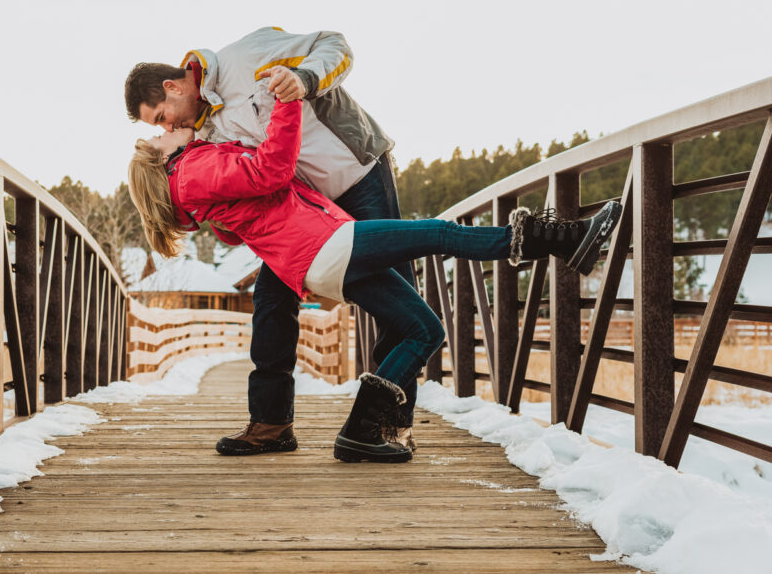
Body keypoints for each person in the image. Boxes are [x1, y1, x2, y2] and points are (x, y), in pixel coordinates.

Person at [127, 100, 621, 463]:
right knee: (438, 233)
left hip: (321, 256)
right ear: (159, 159)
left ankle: (361, 430)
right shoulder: (192, 168)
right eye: (156, 135)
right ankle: (560, 239)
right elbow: (272, 168)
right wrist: (286, 102)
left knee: (425, 330)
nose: (165, 130)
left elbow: (239, 225)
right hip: (327, 246)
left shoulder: (191, 183)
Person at [124, 27, 423, 455]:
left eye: (159, 116)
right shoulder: (202, 138)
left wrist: (304, 80)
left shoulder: (244, 57)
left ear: (172, 87)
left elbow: (335, 46)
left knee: (395, 302)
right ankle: (270, 424)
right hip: (304, 214)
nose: (165, 126)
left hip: (357, 175)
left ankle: (389, 425)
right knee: (269, 299)